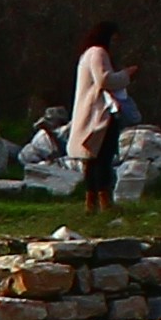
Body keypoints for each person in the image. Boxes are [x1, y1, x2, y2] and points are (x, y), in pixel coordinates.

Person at [68, 26, 131, 207]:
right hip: (99, 114)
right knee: (103, 156)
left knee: (92, 159)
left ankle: (91, 201)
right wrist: (126, 75)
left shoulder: (87, 54)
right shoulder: (98, 53)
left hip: (89, 113)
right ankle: (103, 200)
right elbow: (104, 80)